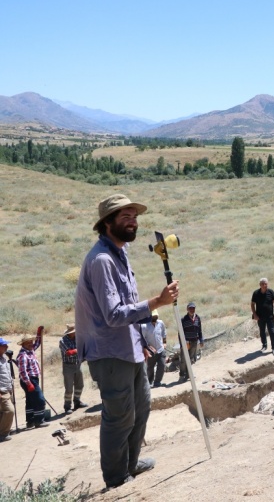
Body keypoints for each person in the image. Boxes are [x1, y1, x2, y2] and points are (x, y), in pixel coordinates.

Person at [75, 193, 179, 490]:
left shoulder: (120, 253)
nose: (133, 222)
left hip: (128, 347)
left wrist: (142, 340)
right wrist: (157, 301)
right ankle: (117, 478)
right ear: (107, 223)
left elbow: (127, 306)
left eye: (134, 216)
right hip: (109, 352)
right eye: (125, 217)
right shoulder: (102, 260)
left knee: (141, 408)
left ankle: (131, 464)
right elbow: (113, 315)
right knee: (119, 416)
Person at [17, 328, 49, 429]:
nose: (31, 343)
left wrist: (38, 333)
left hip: (33, 379)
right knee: (39, 399)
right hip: (29, 380)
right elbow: (22, 371)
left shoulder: (30, 350)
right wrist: (29, 383)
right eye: (28, 342)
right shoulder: (23, 355)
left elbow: (37, 343)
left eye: (31, 341)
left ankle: (30, 421)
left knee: (30, 401)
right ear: (23, 344)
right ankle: (39, 421)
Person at [59, 323, 87, 414]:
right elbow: (68, 352)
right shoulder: (63, 341)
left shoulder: (77, 338)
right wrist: (79, 350)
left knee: (80, 385)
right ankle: (67, 406)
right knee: (69, 388)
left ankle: (77, 401)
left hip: (77, 364)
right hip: (68, 366)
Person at [251, 278, 274, 356]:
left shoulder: (271, 292)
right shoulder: (256, 293)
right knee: (262, 331)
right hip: (260, 317)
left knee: (272, 332)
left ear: (267, 284)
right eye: (263, 284)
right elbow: (252, 304)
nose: (264, 285)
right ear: (260, 285)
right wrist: (255, 314)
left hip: (270, 316)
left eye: (265, 284)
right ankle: (264, 346)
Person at [141, 310, 167, 387]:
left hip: (160, 349)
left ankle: (157, 382)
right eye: (153, 316)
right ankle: (150, 382)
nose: (154, 317)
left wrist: (164, 343)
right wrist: (148, 347)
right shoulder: (144, 326)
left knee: (162, 365)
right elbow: (142, 339)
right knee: (150, 367)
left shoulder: (161, 323)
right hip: (151, 351)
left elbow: (164, 333)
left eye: (156, 316)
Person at [179, 302, 203, 380]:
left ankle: (188, 375)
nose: (192, 310)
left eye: (193, 308)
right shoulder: (183, 319)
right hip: (186, 342)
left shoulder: (197, 318)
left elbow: (199, 330)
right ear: (187, 309)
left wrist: (201, 340)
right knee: (183, 359)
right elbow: (180, 332)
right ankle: (182, 375)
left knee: (191, 359)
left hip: (194, 342)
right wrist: (181, 344)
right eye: (190, 308)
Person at [0, 337, 14, 442]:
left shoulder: (4, 358)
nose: (6, 347)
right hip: (1, 390)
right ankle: (3, 433)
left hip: (7, 388)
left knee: (3, 412)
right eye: (4, 345)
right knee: (9, 410)